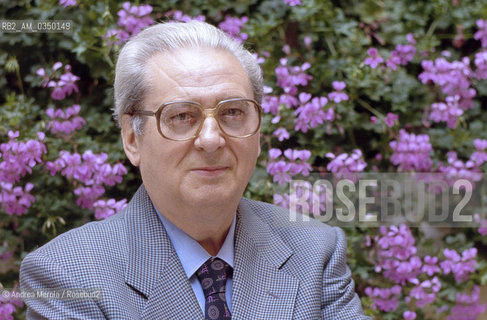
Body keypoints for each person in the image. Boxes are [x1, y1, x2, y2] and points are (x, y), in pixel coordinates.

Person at [20, 20, 370, 319]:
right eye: (181, 116)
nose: (211, 139)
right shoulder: (66, 275)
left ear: (259, 134)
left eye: (233, 112)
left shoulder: (316, 252)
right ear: (132, 139)